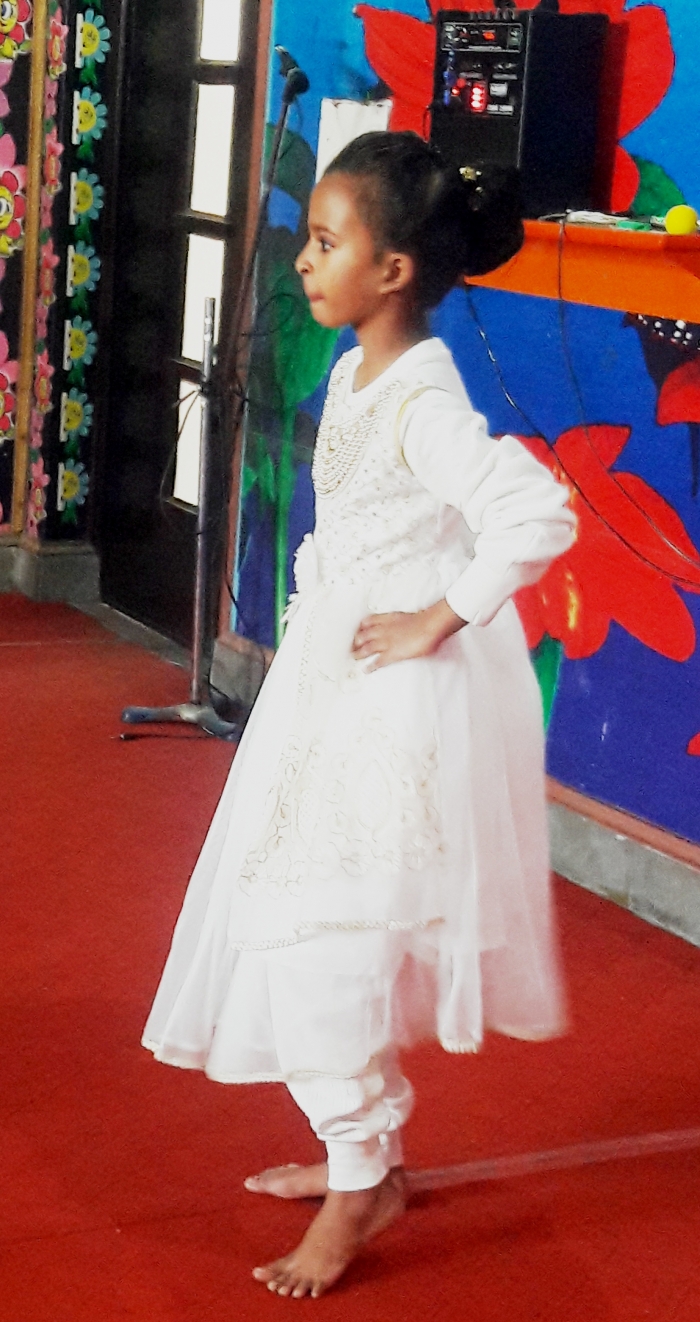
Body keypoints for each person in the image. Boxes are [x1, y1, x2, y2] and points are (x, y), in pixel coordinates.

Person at [142, 131, 576, 1299]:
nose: (302, 260)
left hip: (391, 713)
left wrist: (439, 615)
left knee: (323, 940)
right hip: (328, 696)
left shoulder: (422, 400)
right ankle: (364, 1158)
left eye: (326, 243)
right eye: (308, 239)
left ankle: (357, 1177)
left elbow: (536, 515)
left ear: (393, 270)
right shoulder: (353, 373)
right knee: (304, 924)